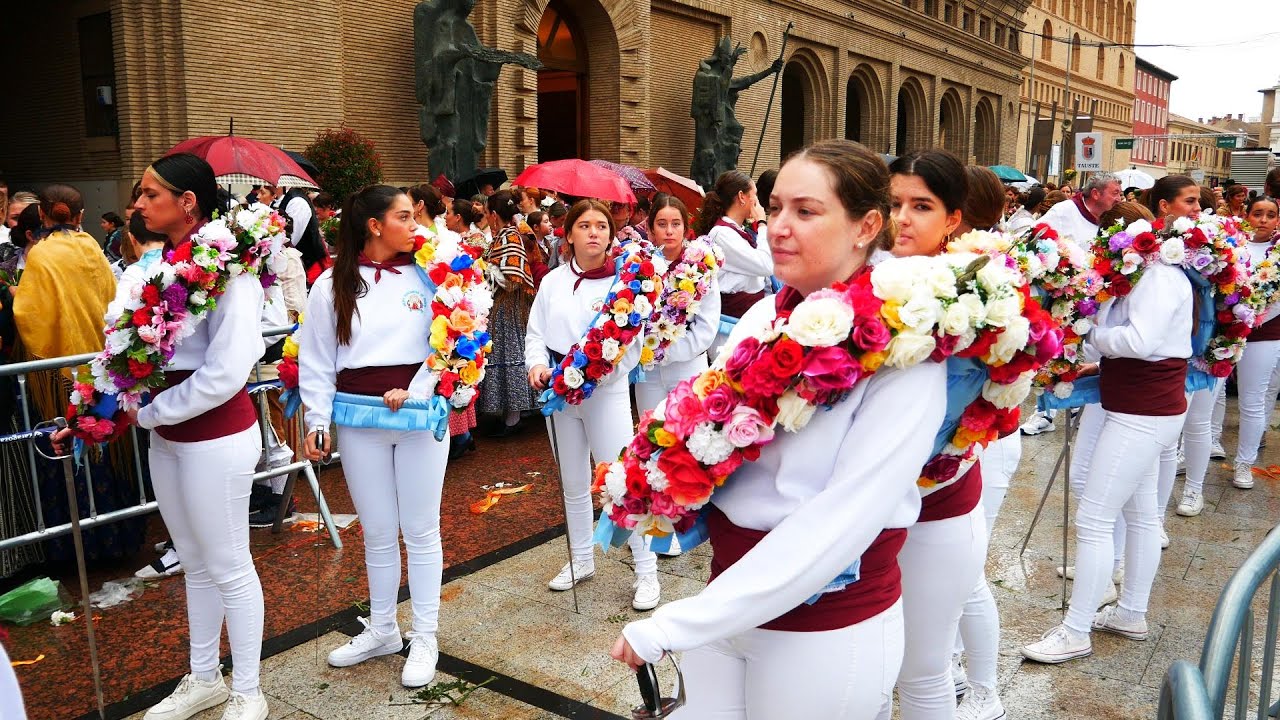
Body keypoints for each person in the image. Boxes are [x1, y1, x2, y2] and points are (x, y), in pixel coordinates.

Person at [610, 139, 947, 718]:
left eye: (806, 211)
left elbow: (841, 521)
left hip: (823, 625)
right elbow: (709, 425)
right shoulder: (767, 316)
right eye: (775, 206)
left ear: (867, 225)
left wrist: (678, 621)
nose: (777, 227)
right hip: (729, 594)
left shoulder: (906, 349)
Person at [65, 155, 270, 719]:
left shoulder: (234, 271)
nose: (137, 204)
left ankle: (249, 690)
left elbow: (228, 371)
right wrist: (109, 408)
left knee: (229, 564)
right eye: (137, 194)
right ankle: (203, 677)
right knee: (195, 564)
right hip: (168, 438)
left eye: (149, 194)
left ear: (188, 202)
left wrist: (149, 413)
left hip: (215, 436)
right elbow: (125, 355)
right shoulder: (149, 268)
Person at [1022, 188, 1193, 666]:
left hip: (1143, 412)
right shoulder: (1146, 276)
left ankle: (1075, 631)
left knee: (1095, 519)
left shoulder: (1159, 277)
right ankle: (1131, 612)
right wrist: (1094, 362)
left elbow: (1141, 341)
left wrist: (1089, 334)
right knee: (1139, 518)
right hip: (1139, 404)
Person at [298, 185, 446, 688]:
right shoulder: (331, 285)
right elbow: (317, 360)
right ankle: (383, 626)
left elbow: (456, 337)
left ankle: (425, 634)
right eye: (405, 217)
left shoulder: (434, 273)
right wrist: (317, 421)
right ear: (375, 226)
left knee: (421, 528)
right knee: (379, 530)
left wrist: (416, 387)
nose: (416, 225)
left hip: (418, 414)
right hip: (359, 419)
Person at [884, 149, 988, 720]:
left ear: (952, 218)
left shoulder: (983, 297)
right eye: (894, 202)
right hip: (866, 511)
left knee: (923, 671)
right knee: (872, 674)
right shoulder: (861, 279)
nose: (903, 217)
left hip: (938, 503)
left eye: (920, 206)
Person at [525, 199, 661, 610]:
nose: (594, 233)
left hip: (606, 392)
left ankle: (646, 571)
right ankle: (581, 558)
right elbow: (535, 332)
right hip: (560, 395)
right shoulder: (552, 281)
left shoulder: (625, 286)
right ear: (568, 234)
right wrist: (536, 365)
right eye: (584, 225)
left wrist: (598, 375)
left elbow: (634, 345)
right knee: (572, 483)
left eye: (601, 225)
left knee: (622, 481)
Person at [947, 166, 1021, 720]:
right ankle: (945, 665)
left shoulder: (988, 273)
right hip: (947, 445)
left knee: (967, 574)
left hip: (982, 442)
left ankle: (985, 688)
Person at [1020, 173, 1125, 436]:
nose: (1119, 197)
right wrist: (1062, 266)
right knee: (1055, 354)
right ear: (1096, 193)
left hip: (1096, 298)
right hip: (1063, 298)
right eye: (1115, 192)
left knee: (1087, 354)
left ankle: (1082, 405)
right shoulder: (1064, 211)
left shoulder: (1114, 219)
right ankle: (1045, 412)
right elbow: (1034, 240)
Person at [633, 194, 721, 414]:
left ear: (685, 228)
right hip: (649, 371)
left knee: (688, 435)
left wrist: (667, 352)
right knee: (649, 432)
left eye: (675, 224)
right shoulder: (639, 267)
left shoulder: (702, 266)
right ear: (651, 230)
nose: (669, 231)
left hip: (688, 365)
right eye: (662, 225)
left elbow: (706, 326)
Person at [1218, 195, 1280, 495]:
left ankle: (1245, 462)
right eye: (1258, 214)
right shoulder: (1231, 244)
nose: (1264, 220)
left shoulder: (1278, 251)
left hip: (1264, 332)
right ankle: (1201, 447)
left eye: (1270, 215)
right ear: (1247, 215)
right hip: (1226, 329)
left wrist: (1253, 318)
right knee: (1211, 395)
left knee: (1252, 400)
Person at [478, 190, 538, 436]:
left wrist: (486, 267)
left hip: (508, 306)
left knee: (509, 352)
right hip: (501, 306)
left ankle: (513, 417)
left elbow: (513, 278)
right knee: (503, 353)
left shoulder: (509, 236)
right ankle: (508, 414)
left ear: (493, 214)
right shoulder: (504, 235)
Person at [695, 170, 772, 332]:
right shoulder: (722, 234)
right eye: (754, 195)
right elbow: (766, 265)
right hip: (733, 319)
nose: (757, 201)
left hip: (748, 313)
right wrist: (762, 223)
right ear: (742, 197)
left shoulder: (735, 229)